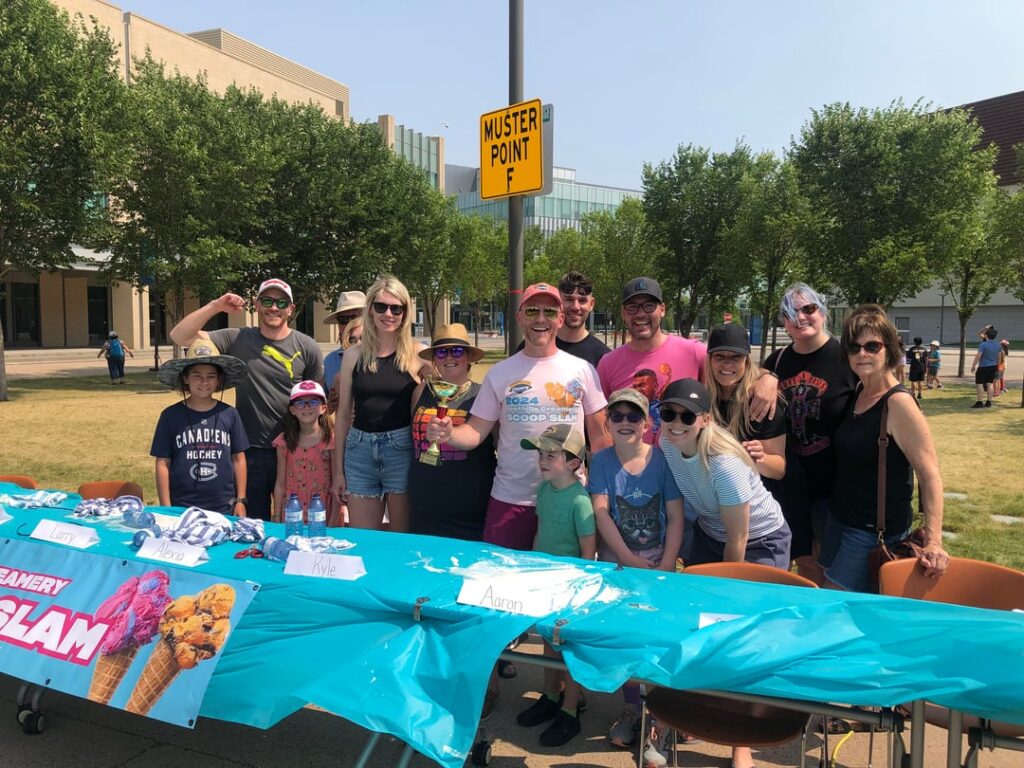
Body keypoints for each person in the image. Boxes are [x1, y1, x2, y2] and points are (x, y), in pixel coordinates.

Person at [658, 377, 791, 768]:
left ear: (704, 419)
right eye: (668, 413)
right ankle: (695, 708)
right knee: (695, 625)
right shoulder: (668, 442)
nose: (676, 422)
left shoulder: (725, 464)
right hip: (711, 534)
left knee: (742, 633)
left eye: (687, 415)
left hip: (759, 542)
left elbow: (739, 539)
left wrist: (727, 595)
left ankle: (742, 742)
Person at [427, 282, 610, 552]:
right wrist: (450, 433)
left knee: (561, 584)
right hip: (510, 499)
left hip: (566, 498)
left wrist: (598, 497)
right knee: (498, 581)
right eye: (532, 310)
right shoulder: (500, 373)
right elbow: (476, 430)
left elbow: (601, 440)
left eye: (549, 312)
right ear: (519, 317)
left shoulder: (582, 370)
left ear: (560, 319)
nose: (540, 319)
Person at [169, 278, 324, 520]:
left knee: (297, 520)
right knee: (253, 523)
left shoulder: (307, 347)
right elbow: (179, 335)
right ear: (257, 304)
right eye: (267, 301)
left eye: (281, 302)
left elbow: (318, 402)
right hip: (250, 451)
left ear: (291, 308)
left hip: (295, 448)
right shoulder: (237, 338)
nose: (274, 307)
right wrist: (216, 305)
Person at [823, 305, 949, 592]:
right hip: (839, 520)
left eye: (872, 346)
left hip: (870, 534)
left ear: (889, 349)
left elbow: (930, 476)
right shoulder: (859, 391)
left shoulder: (898, 403)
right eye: (854, 348)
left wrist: (934, 540)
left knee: (832, 604)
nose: (862, 354)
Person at [586, 388, 683, 760]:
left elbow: (674, 516)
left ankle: (660, 715)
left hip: (660, 562)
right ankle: (631, 706)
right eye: (617, 416)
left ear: (646, 424)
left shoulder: (662, 460)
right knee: (625, 638)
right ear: (608, 423)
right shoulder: (601, 461)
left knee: (658, 639)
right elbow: (601, 513)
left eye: (633, 416)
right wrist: (626, 557)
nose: (624, 422)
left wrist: (666, 565)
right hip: (619, 564)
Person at [750, 283, 857, 583]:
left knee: (828, 563)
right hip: (789, 484)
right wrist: (766, 376)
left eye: (808, 309)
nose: (800, 318)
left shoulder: (846, 358)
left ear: (822, 312)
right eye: (790, 313)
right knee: (801, 559)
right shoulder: (778, 361)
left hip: (832, 484)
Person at [514, 423, 595, 747]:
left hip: (572, 587)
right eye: (540, 455)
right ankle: (551, 695)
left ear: (574, 462)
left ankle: (571, 709)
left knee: (569, 647)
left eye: (551, 455)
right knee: (548, 640)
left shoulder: (581, 501)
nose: (542, 461)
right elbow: (542, 531)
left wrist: (581, 588)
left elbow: (588, 549)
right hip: (544, 581)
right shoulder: (545, 490)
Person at [333, 275, 432, 532]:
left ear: (405, 312)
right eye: (381, 306)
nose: (388, 313)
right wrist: (338, 472)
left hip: (401, 449)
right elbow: (343, 415)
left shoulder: (417, 354)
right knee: (364, 540)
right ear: (370, 310)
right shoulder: (353, 355)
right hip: (359, 451)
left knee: (401, 539)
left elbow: (447, 389)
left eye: (396, 308)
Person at [408, 324, 495, 541]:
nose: (449, 357)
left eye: (457, 351)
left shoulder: (484, 394)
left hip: (470, 509)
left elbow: (500, 444)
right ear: (434, 359)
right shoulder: (420, 391)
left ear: (469, 357)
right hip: (424, 506)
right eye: (441, 351)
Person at [597, 277, 706, 443]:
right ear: (623, 313)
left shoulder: (694, 352)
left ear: (662, 309)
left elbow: (736, 372)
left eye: (649, 306)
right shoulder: (608, 363)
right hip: (631, 466)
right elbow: (602, 420)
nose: (641, 314)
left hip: (683, 466)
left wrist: (761, 379)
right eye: (633, 307)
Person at [151, 339, 250, 516]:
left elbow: (239, 459)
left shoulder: (230, 414)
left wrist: (240, 500)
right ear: (185, 378)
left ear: (219, 380)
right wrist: (166, 507)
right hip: (181, 507)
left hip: (223, 506)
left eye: (211, 376)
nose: (204, 382)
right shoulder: (170, 416)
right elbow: (162, 463)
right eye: (197, 375)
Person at [704, 323, 787, 483]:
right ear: (709, 360)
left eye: (736, 357)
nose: (727, 363)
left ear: (747, 361)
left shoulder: (761, 401)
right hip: (722, 497)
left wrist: (758, 458)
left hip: (764, 500)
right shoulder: (704, 400)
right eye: (719, 356)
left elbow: (779, 470)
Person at [515, 270, 611, 367]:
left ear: (591, 304)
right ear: (558, 302)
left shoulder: (603, 357)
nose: (575, 307)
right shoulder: (531, 346)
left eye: (582, 301)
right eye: (569, 299)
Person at [272, 380, 335, 525]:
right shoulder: (284, 441)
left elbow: (335, 482)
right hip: (293, 513)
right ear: (293, 410)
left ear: (323, 408)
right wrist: (276, 516)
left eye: (313, 402)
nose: (306, 407)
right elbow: (280, 483)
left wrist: (334, 519)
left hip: (325, 513)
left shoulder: (331, 440)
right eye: (300, 403)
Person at [323, 290, 367, 410]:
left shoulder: (387, 356)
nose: (349, 324)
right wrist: (329, 406)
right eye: (343, 319)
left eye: (355, 317)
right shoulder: (330, 361)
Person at [970, 325, 1001, 408]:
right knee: (990, 384)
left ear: (986, 335)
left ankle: (980, 402)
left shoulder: (983, 345)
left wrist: (973, 366)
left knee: (979, 384)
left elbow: (978, 356)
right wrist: (997, 366)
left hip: (983, 367)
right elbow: (999, 357)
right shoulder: (998, 345)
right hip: (993, 366)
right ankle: (989, 402)